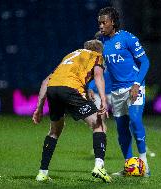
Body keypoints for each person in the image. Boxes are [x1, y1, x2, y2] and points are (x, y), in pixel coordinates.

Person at [32, 39, 112, 183]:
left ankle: (42, 173)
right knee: (98, 124)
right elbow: (99, 76)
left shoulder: (70, 56)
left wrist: (39, 108)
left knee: (55, 130)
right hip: (70, 90)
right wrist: (103, 100)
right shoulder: (96, 56)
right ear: (99, 51)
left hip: (53, 89)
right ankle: (99, 166)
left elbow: (46, 81)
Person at [97, 7, 151, 176]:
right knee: (121, 130)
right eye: (99, 23)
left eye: (104, 22)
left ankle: (144, 164)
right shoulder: (101, 42)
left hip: (133, 87)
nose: (101, 25)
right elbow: (100, 69)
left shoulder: (128, 38)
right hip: (116, 91)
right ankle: (129, 167)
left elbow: (145, 62)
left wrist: (136, 84)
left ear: (113, 22)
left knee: (135, 120)